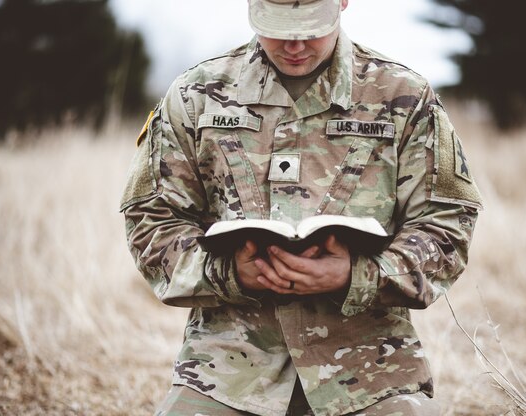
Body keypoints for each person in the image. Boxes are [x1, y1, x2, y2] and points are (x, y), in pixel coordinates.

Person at [120, 0, 483, 414]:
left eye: (311, 28)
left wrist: (357, 275)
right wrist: (227, 273)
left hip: (370, 373)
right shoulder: (195, 95)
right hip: (226, 373)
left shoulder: (405, 97)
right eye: (278, 26)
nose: (294, 44)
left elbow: (447, 224)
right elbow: (151, 219)